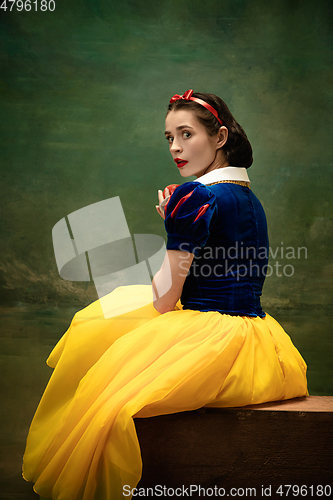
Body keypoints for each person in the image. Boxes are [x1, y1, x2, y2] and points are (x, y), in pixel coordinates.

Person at [22, 90, 308, 500]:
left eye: (186, 134)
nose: (175, 147)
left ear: (220, 136)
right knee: (104, 322)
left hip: (212, 344)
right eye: (169, 137)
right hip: (262, 342)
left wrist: (175, 229)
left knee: (96, 350)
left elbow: (163, 298)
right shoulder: (249, 196)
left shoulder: (196, 197)